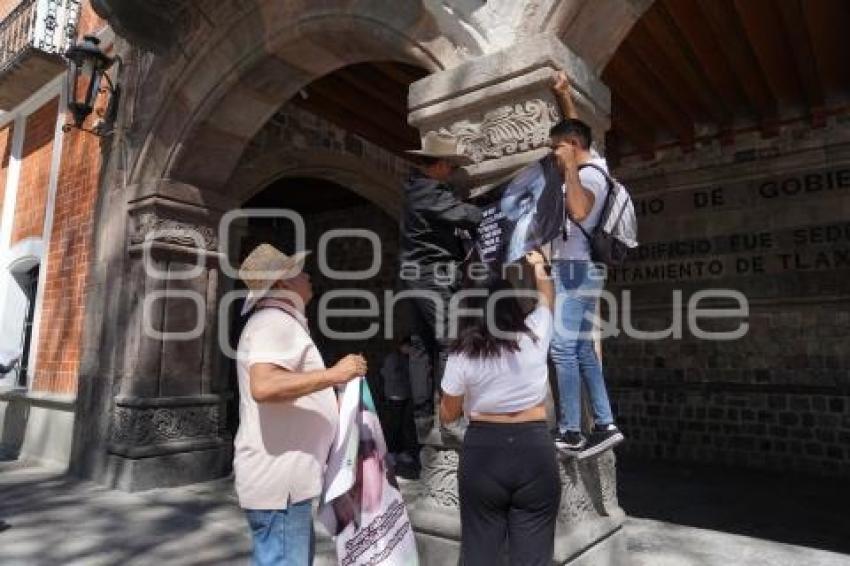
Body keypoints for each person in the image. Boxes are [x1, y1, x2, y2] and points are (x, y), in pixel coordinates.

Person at [234, 243, 368, 566]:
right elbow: (264, 385)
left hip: (286, 484)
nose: (308, 276)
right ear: (281, 284)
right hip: (281, 485)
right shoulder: (273, 321)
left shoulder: (278, 321)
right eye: (299, 271)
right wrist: (334, 373)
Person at [440, 250, 560, 566]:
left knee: (479, 552)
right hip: (534, 446)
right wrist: (538, 267)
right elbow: (547, 300)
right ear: (510, 304)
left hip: (483, 450)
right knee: (534, 557)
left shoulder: (461, 355)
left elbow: (447, 413)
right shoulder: (535, 334)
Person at [548, 107, 625, 456]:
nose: (553, 154)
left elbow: (578, 212)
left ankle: (571, 431)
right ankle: (605, 423)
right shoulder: (595, 165)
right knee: (580, 349)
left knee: (562, 348)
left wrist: (568, 169)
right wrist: (565, 96)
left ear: (571, 144)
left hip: (575, 270)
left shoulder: (589, 176)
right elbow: (579, 128)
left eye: (556, 147)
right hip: (583, 271)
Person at [400, 131, 483, 438]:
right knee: (450, 342)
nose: (452, 171)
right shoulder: (429, 192)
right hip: (432, 274)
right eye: (450, 165)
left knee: (421, 345)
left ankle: (424, 419)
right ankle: (450, 417)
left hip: (415, 276)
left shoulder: (416, 189)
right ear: (438, 164)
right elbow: (467, 215)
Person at [379, 336, 419, 477]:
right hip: (395, 396)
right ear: (403, 346)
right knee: (394, 426)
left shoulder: (406, 358)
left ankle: (401, 451)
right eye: (409, 347)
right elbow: (388, 375)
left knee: (403, 426)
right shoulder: (393, 358)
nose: (410, 350)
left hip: (405, 396)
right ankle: (391, 453)